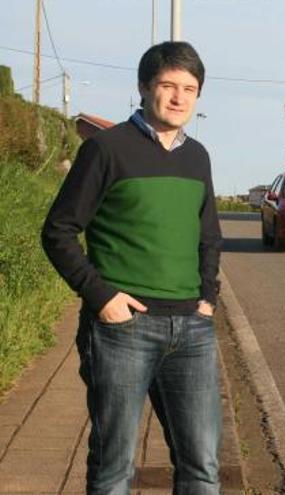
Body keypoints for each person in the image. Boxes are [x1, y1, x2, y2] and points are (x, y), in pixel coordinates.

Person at [41, 41, 223, 494]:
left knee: (202, 467)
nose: (180, 97)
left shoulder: (197, 156)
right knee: (113, 469)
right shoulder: (105, 149)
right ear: (144, 87)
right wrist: (102, 298)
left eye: (190, 88)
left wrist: (207, 299)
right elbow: (59, 231)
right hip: (124, 329)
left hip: (192, 331)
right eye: (168, 85)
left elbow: (209, 236)